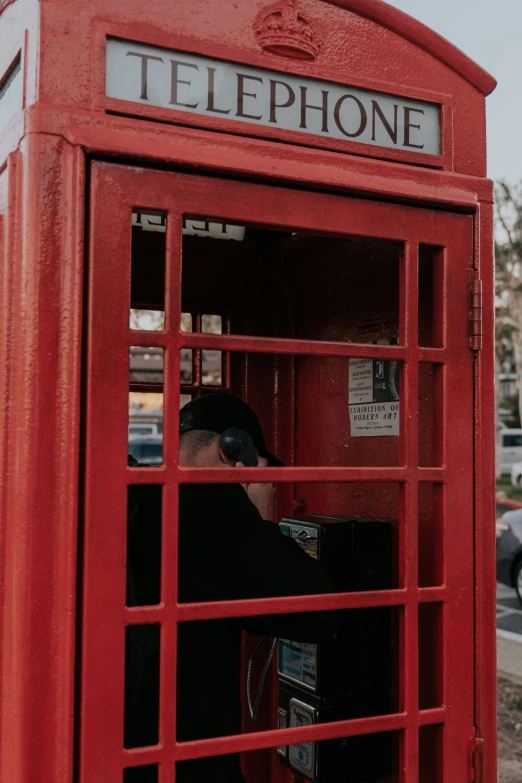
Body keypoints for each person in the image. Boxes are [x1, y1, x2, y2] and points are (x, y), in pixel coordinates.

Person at [125, 394, 336, 783]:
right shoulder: (211, 503)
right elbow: (317, 610)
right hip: (190, 762)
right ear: (232, 448)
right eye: (262, 468)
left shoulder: (132, 496)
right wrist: (260, 523)